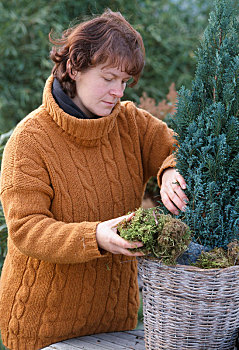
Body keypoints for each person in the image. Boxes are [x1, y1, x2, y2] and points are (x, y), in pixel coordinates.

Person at [0, 9, 188, 350]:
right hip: (43, 327)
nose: (117, 91)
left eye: (125, 81)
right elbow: (27, 229)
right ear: (75, 68)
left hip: (115, 323)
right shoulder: (29, 140)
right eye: (108, 78)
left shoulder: (131, 124)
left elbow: (179, 148)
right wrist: (95, 236)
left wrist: (171, 170)